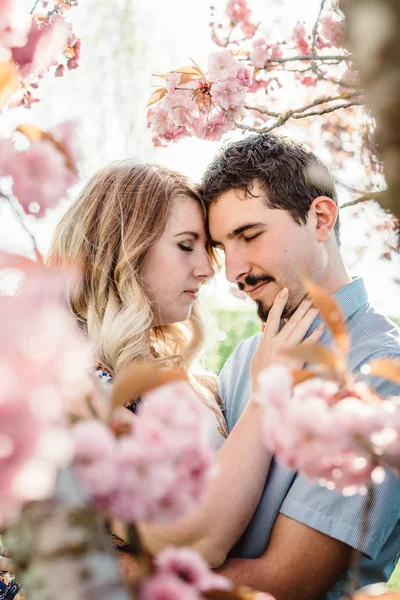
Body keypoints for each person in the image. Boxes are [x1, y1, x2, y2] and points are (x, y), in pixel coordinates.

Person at [0, 160, 322, 586]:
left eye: (207, 249)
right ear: (123, 249)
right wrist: (266, 395)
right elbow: (193, 537)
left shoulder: (176, 376)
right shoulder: (58, 384)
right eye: (186, 245)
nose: (208, 270)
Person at [200, 133, 400, 600]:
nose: (234, 271)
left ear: (320, 218)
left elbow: (287, 583)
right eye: (221, 247)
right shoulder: (245, 358)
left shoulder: (381, 375)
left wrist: (110, 569)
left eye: (249, 236)